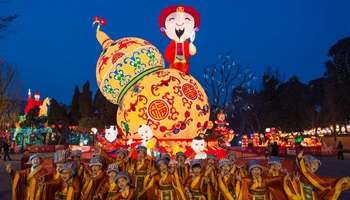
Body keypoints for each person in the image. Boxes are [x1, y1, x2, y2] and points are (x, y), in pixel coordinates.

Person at [158, 5, 200, 74]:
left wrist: (192, 46)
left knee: (183, 77)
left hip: (184, 65)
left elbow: (192, 52)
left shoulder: (187, 44)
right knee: (173, 76)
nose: (180, 24)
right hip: (174, 64)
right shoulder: (173, 44)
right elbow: (167, 55)